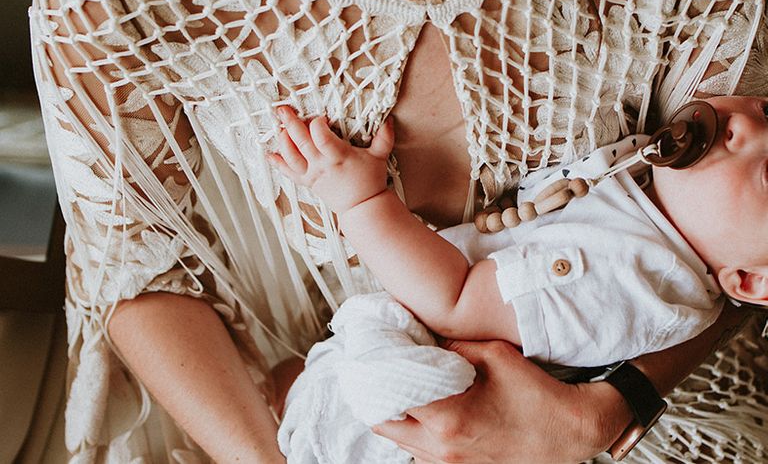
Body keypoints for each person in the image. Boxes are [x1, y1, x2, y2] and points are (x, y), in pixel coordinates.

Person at [28, 0, 768, 462]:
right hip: (322, 417)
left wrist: (601, 415)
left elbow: (742, 242)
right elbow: (143, 274)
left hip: (657, 403)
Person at [269, 95, 768, 462]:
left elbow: (455, 300)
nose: (741, 124)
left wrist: (361, 201)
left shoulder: (634, 284)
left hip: (391, 421)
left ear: (748, 280)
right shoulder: (651, 191)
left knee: (301, 406)